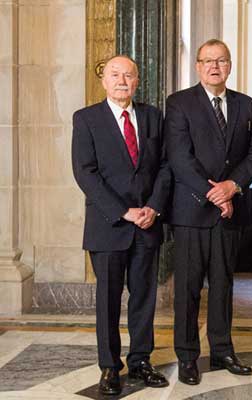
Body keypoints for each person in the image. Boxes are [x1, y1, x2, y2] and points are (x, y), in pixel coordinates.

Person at [165, 39, 252, 385]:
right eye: (207, 61)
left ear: (230, 65)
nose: (214, 67)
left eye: (220, 61)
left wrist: (232, 187)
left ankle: (222, 350)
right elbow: (179, 157)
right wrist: (215, 193)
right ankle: (188, 356)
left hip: (230, 211)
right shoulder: (179, 103)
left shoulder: (245, 105)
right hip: (192, 211)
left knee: (223, 285)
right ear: (197, 66)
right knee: (189, 288)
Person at [72, 55, 171, 395]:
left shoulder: (152, 116)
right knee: (109, 300)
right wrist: (124, 211)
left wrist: (154, 208)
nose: (122, 81)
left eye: (129, 75)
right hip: (109, 225)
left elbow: (165, 167)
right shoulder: (86, 119)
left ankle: (141, 361)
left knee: (144, 298)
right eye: (115, 75)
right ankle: (110, 367)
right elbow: (85, 173)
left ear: (137, 81)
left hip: (148, 223)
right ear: (104, 80)